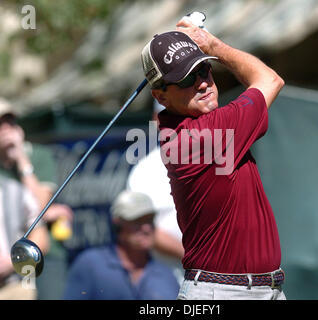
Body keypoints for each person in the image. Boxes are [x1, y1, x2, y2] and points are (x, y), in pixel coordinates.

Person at [140, 18, 285, 300]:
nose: (203, 83)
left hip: (261, 289)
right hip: (222, 293)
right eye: (185, 78)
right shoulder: (202, 135)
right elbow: (270, 79)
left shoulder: (188, 130)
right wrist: (213, 45)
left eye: (204, 68)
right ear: (161, 96)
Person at [0, 97, 73, 299]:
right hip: (8, 258)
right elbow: (44, 211)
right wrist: (50, 212)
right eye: (0, 124)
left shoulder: (38, 155)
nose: (6, 129)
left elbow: (39, 206)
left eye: (10, 122)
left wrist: (22, 160)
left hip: (44, 253)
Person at [63, 190, 180, 300]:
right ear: (118, 224)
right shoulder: (90, 264)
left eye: (149, 220)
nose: (146, 228)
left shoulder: (166, 275)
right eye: (137, 221)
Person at [127, 100, 184, 284]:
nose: (179, 121)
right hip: (170, 283)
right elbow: (143, 230)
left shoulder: (216, 158)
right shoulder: (144, 171)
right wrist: (196, 256)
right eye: (168, 114)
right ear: (156, 120)